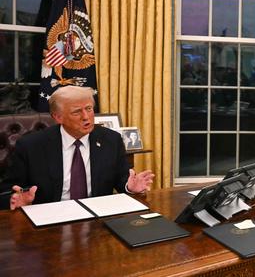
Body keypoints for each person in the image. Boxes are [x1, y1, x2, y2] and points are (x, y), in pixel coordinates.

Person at [0, 86, 154, 210]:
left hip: (96, 217)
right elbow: (8, 190)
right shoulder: (31, 146)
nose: (86, 117)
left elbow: (121, 179)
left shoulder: (111, 140)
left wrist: (130, 187)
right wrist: (16, 199)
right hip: (49, 218)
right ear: (58, 117)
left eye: (89, 109)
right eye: (77, 112)